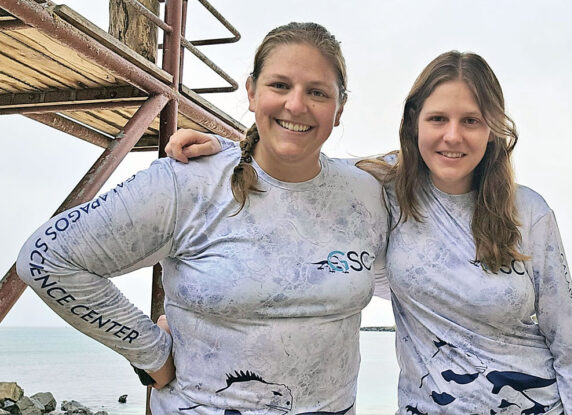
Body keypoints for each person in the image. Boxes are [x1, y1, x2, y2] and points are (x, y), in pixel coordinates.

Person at [171, 51, 572, 414]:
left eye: (471, 120)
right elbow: (293, 165)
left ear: (492, 129)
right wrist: (228, 151)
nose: (453, 136)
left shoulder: (528, 212)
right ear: (414, 123)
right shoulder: (382, 190)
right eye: (438, 118)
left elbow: (570, 347)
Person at [16, 22, 388, 415]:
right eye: (280, 85)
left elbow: (445, 161)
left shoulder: (366, 193)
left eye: (317, 92)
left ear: (340, 108)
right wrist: (150, 352)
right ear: (251, 91)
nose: (296, 105)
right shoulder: (186, 182)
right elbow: (45, 257)